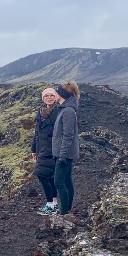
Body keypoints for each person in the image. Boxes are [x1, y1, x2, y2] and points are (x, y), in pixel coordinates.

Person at [52, 82, 80, 216]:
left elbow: (68, 135)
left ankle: (64, 213)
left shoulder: (68, 111)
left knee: (59, 182)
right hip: (63, 153)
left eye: (56, 92)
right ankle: (67, 211)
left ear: (62, 95)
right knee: (67, 180)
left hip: (65, 154)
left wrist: (62, 156)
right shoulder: (64, 109)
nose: (54, 94)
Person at [31, 87, 60, 214]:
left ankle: (50, 205)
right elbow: (37, 133)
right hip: (41, 149)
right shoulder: (41, 112)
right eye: (46, 96)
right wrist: (34, 148)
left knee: (42, 175)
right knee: (49, 176)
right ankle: (54, 204)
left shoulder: (58, 111)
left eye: (51, 95)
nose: (49, 98)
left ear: (55, 97)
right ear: (43, 98)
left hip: (50, 149)